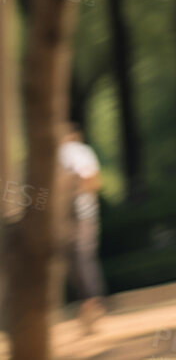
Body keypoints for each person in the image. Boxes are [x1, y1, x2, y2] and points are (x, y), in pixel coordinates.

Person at [59, 122, 106, 335]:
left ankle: (90, 304)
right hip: (85, 211)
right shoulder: (81, 151)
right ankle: (90, 304)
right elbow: (94, 181)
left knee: (78, 257)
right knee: (82, 257)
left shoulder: (69, 152)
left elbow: (88, 178)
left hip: (76, 213)